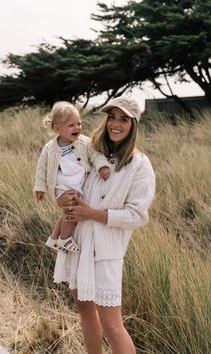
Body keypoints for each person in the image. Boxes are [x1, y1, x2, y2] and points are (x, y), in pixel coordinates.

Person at [53, 96, 156, 354]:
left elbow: (137, 216)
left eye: (123, 119)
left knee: (112, 325)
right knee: (85, 312)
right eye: (112, 117)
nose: (116, 124)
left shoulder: (140, 165)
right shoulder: (92, 153)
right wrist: (65, 201)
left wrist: (93, 213)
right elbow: (72, 188)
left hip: (106, 254)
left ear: (133, 124)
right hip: (77, 245)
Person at [33, 101, 111, 253]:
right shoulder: (50, 148)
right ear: (57, 129)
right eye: (71, 125)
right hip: (62, 186)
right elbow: (41, 169)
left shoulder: (84, 142)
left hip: (77, 184)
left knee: (66, 213)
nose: (77, 128)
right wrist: (39, 188)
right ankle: (64, 239)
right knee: (72, 213)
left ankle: (54, 238)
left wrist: (102, 166)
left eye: (79, 123)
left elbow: (96, 154)